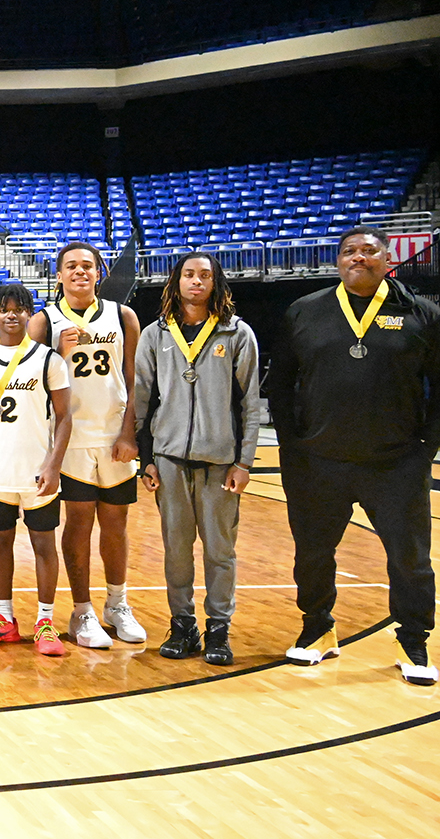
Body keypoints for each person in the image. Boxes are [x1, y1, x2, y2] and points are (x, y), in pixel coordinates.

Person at [268, 225, 440, 686]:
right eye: (348, 251)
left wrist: (427, 447)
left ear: (388, 258)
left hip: (396, 462)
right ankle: (318, 627)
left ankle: (413, 638)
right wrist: (292, 442)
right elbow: (280, 384)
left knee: (410, 558)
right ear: (337, 260)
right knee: (313, 554)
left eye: (368, 251)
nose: (357, 258)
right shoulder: (305, 311)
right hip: (319, 461)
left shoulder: (419, 312)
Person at [134, 253, 261, 667]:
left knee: (219, 551)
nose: (196, 281)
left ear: (215, 283)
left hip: (221, 462)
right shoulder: (155, 334)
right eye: (189, 274)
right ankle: (183, 624)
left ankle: (219, 628)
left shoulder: (237, 334)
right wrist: (146, 459)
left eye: (204, 275)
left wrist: (244, 463)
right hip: (169, 459)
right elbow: (142, 400)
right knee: (175, 549)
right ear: (177, 281)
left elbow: (250, 406)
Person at [30, 241, 145, 648]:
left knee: (116, 524)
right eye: (71, 266)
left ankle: (118, 603)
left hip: (114, 435)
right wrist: (58, 352)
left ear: (100, 272)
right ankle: (82, 611)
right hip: (72, 441)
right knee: (79, 525)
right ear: (58, 274)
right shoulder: (44, 321)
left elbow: (135, 380)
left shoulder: (123, 315)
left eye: (87, 266)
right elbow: (29, 382)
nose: (80, 272)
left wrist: (131, 432)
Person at [0, 283, 73, 657]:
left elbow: (64, 418)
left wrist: (54, 464)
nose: (12, 314)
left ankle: (45, 622)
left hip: (36, 470)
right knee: (0, 544)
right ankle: (5, 619)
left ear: (30, 313)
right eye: (4, 308)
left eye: (19, 308)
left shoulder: (49, 360)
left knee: (44, 545)